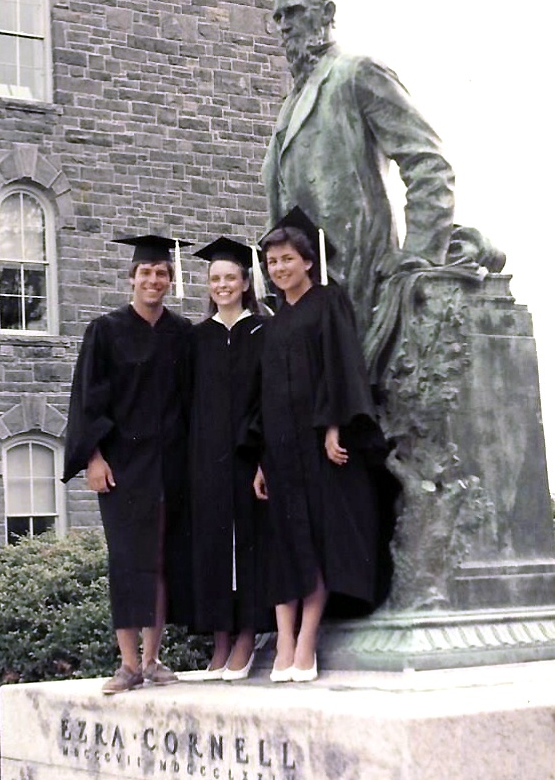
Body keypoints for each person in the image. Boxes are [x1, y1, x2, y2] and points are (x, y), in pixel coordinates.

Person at [263, 0, 455, 339]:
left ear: (326, 13)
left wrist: (418, 256)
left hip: (359, 284)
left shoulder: (357, 74)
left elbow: (429, 162)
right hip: (300, 296)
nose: (285, 25)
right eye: (278, 16)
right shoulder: (290, 104)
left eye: (295, 12)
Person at [252, 208, 391, 682]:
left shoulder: (329, 302)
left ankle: (306, 640)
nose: (279, 269)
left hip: (316, 446)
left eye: (287, 259)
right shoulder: (273, 322)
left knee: (315, 539)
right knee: (284, 544)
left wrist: (334, 426)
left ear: (308, 262)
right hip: (280, 450)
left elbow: (342, 365)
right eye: (271, 262)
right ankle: (285, 641)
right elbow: (265, 393)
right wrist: (261, 460)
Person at [62, 235, 193, 694]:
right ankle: (127, 663)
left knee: (162, 559)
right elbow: (85, 401)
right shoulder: (105, 331)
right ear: (131, 279)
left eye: (161, 273)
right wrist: (92, 459)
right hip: (121, 466)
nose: (153, 280)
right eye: (146, 273)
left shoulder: (182, 334)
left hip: (171, 464)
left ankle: (154, 659)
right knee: (126, 560)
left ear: (171, 280)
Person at [179, 237, 269, 682]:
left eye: (230, 277)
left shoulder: (262, 332)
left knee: (250, 542)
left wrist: (260, 455)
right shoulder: (198, 338)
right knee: (212, 545)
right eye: (215, 279)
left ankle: (248, 636)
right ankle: (219, 642)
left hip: (247, 454)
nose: (222, 285)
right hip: (207, 458)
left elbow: (267, 400)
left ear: (246, 281)